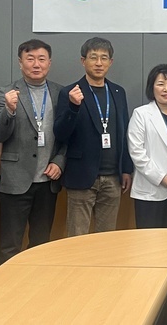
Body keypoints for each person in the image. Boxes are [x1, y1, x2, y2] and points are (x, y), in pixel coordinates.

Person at [0, 39, 66, 264]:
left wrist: (59, 161)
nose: (36, 64)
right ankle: (6, 284)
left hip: (47, 181)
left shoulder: (60, 92)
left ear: (49, 63)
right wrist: (9, 110)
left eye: (41, 59)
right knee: (10, 244)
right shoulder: (6, 92)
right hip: (15, 180)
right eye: (30, 59)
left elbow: (68, 134)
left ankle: (37, 283)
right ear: (20, 62)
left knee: (41, 243)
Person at [54, 37, 132, 237]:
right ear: (83, 61)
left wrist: (126, 169)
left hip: (113, 177)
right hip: (81, 176)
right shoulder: (70, 92)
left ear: (110, 62)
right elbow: (60, 133)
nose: (99, 63)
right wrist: (73, 107)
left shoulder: (118, 92)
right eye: (93, 57)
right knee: (77, 237)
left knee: (106, 238)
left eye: (104, 58)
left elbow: (123, 132)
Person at [128, 64, 167, 228]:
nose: (166, 89)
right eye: (161, 84)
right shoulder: (141, 114)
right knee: (149, 240)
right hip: (150, 191)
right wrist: (160, 177)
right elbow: (136, 152)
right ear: (152, 87)